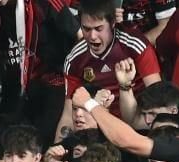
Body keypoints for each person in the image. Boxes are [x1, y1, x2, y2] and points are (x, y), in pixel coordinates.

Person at [57, 0, 161, 134]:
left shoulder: (135, 46)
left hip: (138, 126)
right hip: (98, 127)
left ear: (112, 23)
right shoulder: (74, 59)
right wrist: (57, 146)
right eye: (86, 29)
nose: (92, 36)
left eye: (99, 28)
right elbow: (68, 114)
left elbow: (158, 98)